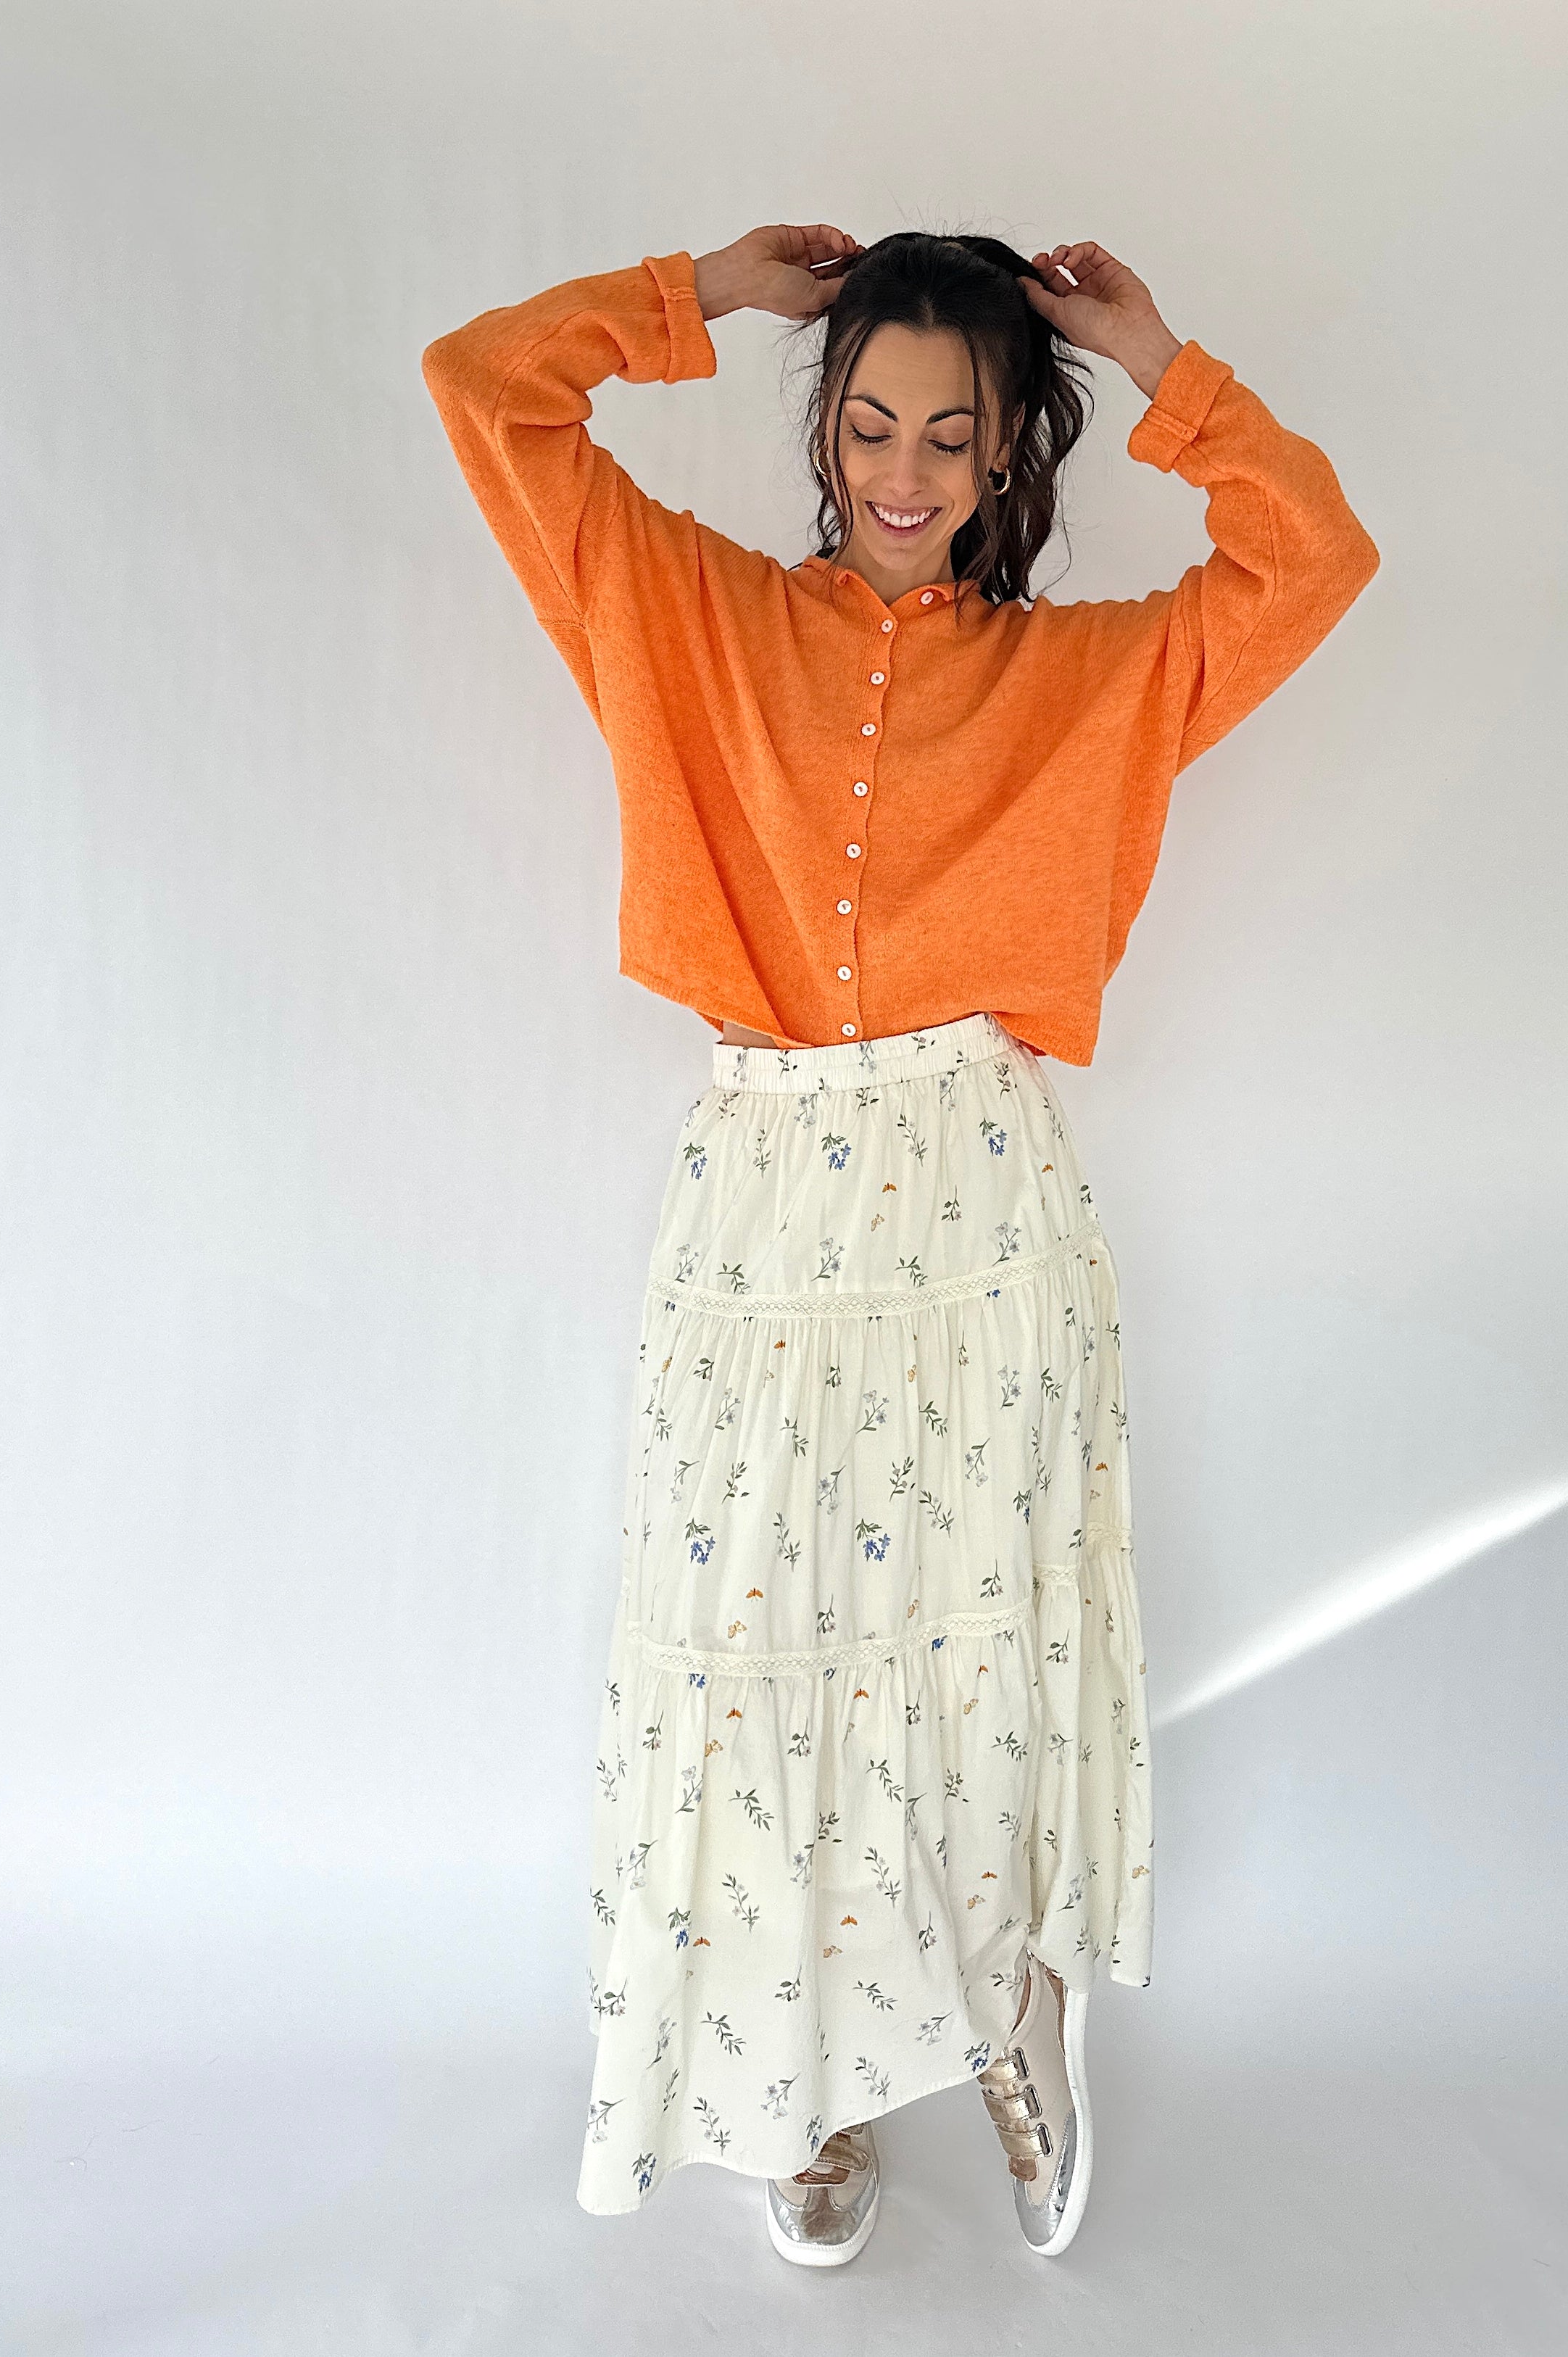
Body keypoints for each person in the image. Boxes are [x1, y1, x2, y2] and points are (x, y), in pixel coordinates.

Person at [421, 221, 1380, 2263]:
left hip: (979, 1201)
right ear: (822, 426)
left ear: (1014, 444)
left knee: (973, 1654)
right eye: (865, 421)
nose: (903, 469)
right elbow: (484, 385)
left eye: (953, 430)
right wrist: (700, 293)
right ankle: (794, 2070)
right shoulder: (681, 611)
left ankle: (1007, 2006)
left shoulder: (1082, 675)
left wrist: (1151, 353)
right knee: (758, 1654)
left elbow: (1311, 557)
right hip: (762, 1194)